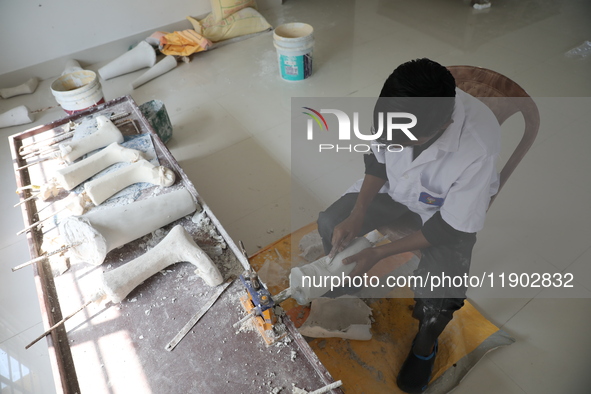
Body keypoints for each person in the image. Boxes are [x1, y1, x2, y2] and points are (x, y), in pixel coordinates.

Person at [316, 58, 501, 393]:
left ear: (439, 131)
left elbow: (451, 228)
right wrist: (359, 211)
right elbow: (377, 159)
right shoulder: (395, 110)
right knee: (332, 222)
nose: (391, 143)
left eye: (401, 141)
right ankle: (349, 280)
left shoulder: (478, 147)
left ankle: (424, 346)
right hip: (396, 188)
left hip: (444, 211)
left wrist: (380, 252)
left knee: (439, 297)